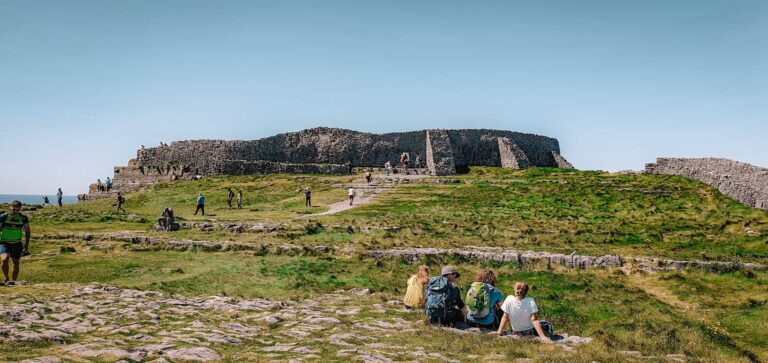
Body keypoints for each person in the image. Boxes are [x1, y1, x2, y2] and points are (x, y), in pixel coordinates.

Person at [0, 201, 31, 285]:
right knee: (4, 259)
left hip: (17, 243)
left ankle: (13, 281)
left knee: (16, 262)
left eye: (17, 210)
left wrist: (26, 245)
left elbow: (27, 232)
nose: (15, 211)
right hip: (4, 242)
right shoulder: (4, 217)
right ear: (10, 207)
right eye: (14, 209)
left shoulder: (23, 218)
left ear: (20, 209)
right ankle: (6, 278)